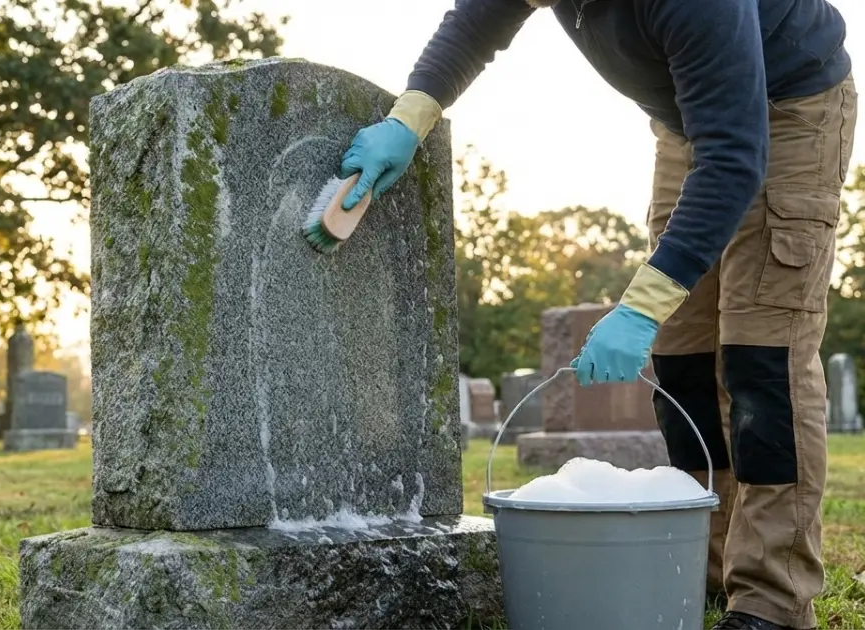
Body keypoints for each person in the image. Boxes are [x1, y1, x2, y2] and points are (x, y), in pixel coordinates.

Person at [338, 2, 855, 629]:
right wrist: (409, 117)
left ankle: (771, 600)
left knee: (761, 361)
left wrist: (638, 307)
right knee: (683, 360)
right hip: (686, 123)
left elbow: (736, 154)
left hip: (788, 110)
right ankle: (709, 568)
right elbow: (476, 23)